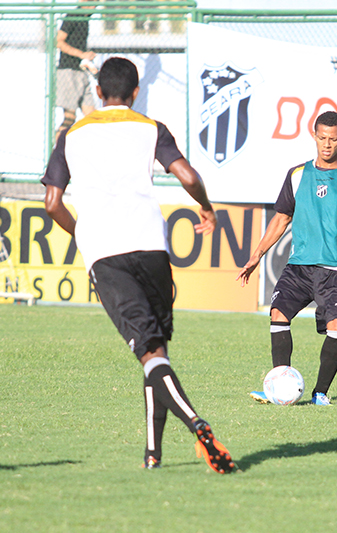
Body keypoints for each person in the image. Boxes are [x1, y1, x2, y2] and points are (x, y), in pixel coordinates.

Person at [42, 57, 235, 473]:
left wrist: (82, 233)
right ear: (134, 93)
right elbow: (185, 174)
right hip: (151, 247)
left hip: (105, 253)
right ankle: (153, 455)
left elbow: (52, 203)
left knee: (149, 353)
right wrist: (205, 207)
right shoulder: (151, 127)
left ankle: (198, 425)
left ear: (97, 92)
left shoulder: (71, 135)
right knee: (157, 350)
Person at [236, 111, 337, 406]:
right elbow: (280, 220)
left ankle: (320, 393)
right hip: (299, 266)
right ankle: (278, 385)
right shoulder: (297, 175)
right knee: (278, 314)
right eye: (322, 138)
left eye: (333, 139)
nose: (327, 145)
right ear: (313, 136)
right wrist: (256, 256)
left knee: (336, 325)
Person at [55, 0, 99, 143]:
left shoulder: (86, 19)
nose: (95, 5)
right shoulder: (73, 15)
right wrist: (81, 55)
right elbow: (59, 41)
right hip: (68, 72)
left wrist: (87, 62)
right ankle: (55, 154)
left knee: (92, 117)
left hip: (80, 72)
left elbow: (80, 50)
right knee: (69, 118)